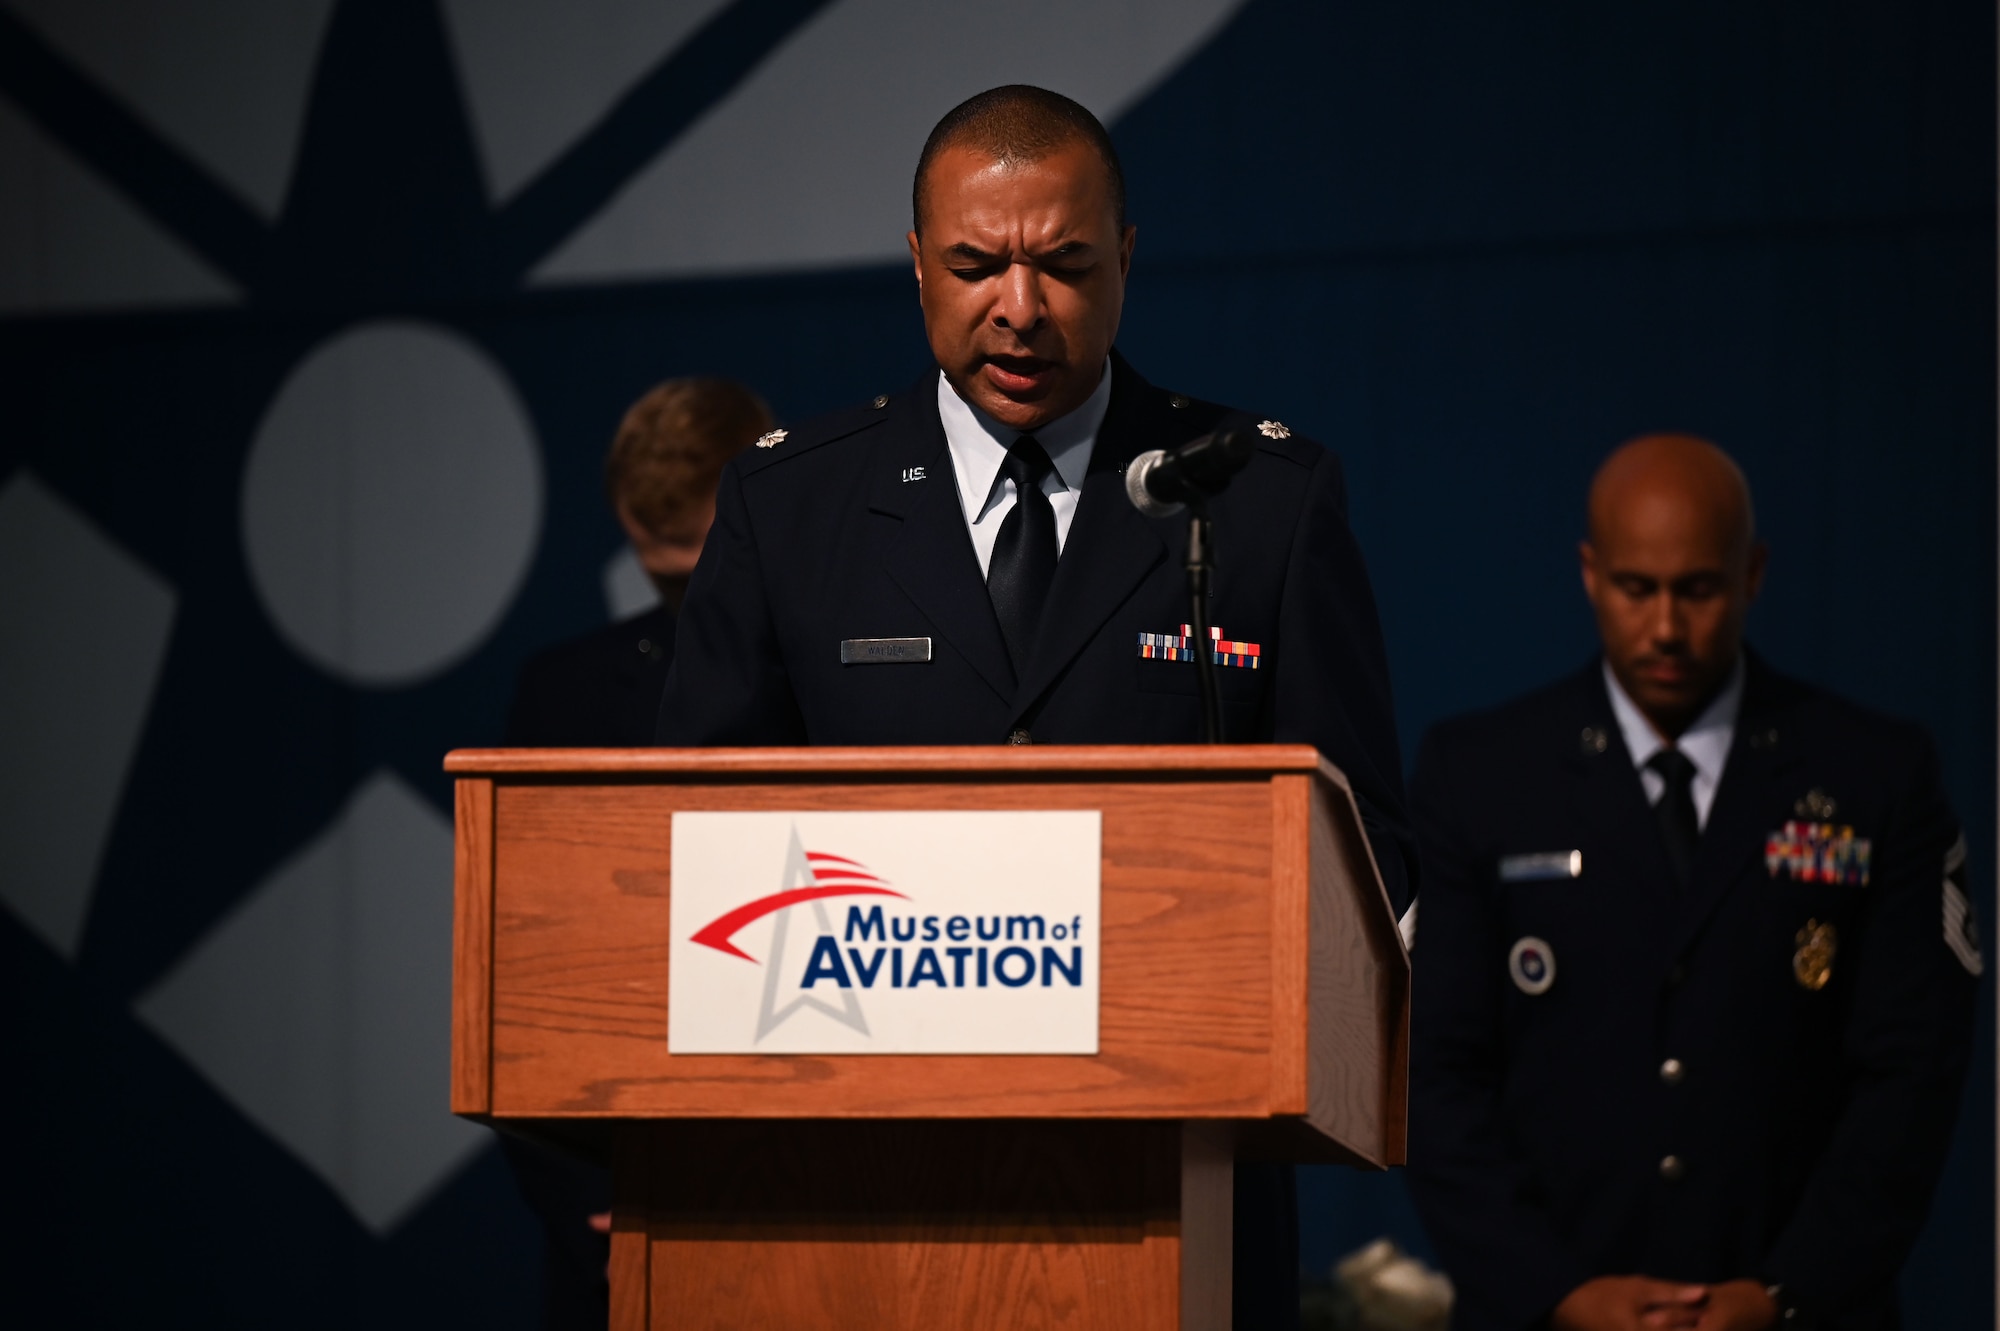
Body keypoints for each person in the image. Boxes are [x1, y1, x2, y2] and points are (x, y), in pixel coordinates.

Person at [655, 85, 1414, 1328]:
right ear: (914, 265)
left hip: (1174, 1196)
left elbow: (1366, 859)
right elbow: (686, 853)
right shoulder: (789, 508)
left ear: (1124, 257)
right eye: (972, 265)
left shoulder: (1258, 499)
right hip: (854, 1201)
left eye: (1063, 264)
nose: (1018, 309)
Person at [1405, 435, 1979, 1331]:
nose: (1667, 627)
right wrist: (1556, 1291)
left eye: (1698, 590)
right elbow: (1437, 1076)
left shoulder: (1875, 774)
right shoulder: (1479, 776)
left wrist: (1786, 1293)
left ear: (1752, 575)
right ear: (1590, 574)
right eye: (1638, 588)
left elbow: (1912, 1076)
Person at [501, 374, 772, 1331]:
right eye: (661, 569)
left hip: (828, 1207)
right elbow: (515, 999)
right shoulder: (563, 699)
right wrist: (596, 1209)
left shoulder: (863, 687)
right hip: (614, 1239)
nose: (683, 598)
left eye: (696, 562)